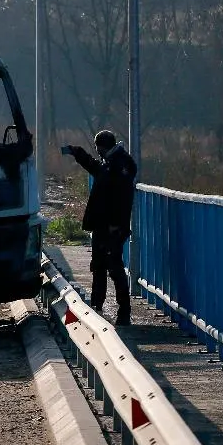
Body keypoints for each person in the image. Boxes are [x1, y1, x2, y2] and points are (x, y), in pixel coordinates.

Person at [64, 130, 138, 325]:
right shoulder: (110, 164)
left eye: (98, 149)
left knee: (114, 266)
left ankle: (124, 311)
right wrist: (78, 153)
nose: (98, 153)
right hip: (102, 226)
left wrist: (116, 224)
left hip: (113, 227)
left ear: (102, 147)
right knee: (98, 265)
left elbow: (122, 199)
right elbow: (95, 167)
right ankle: (97, 305)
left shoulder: (121, 165)